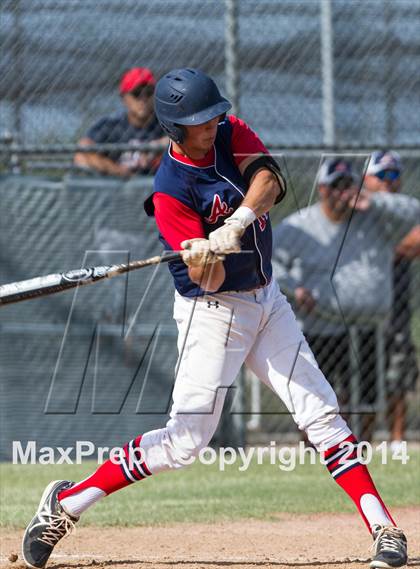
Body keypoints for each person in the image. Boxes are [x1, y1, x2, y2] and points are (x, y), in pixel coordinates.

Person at [22, 69, 408, 569]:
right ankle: (67, 503)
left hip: (267, 299)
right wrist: (202, 254)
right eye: (200, 120)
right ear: (175, 128)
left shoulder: (230, 131)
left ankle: (384, 528)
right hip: (214, 311)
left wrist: (236, 223)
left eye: (213, 115)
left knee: (321, 413)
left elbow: (268, 179)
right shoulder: (169, 192)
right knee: (185, 442)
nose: (213, 123)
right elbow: (207, 280)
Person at [272, 159, 420, 444]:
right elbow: (267, 261)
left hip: (370, 327)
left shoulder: (373, 217)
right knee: (316, 394)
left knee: (366, 396)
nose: (343, 193)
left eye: (348, 185)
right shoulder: (300, 226)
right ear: (322, 189)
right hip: (320, 327)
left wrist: (373, 201)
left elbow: (414, 212)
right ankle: (313, 450)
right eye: (336, 186)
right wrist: (295, 289)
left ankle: (359, 447)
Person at [364, 151, 420, 453]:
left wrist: (384, 249)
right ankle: (363, 441)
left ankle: (397, 440)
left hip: (395, 306)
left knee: (398, 371)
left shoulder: (404, 211)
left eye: (393, 175)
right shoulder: (359, 209)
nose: (389, 182)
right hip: (360, 310)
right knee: (361, 375)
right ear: (367, 179)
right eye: (381, 175)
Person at [74, 67, 167, 177]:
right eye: (136, 94)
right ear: (124, 98)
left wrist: (158, 145)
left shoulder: (164, 124)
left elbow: (187, 138)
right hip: (117, 190)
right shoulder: (112, 125)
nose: (143, 99)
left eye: (148, 93)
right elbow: (83, 149)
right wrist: (118, 171)